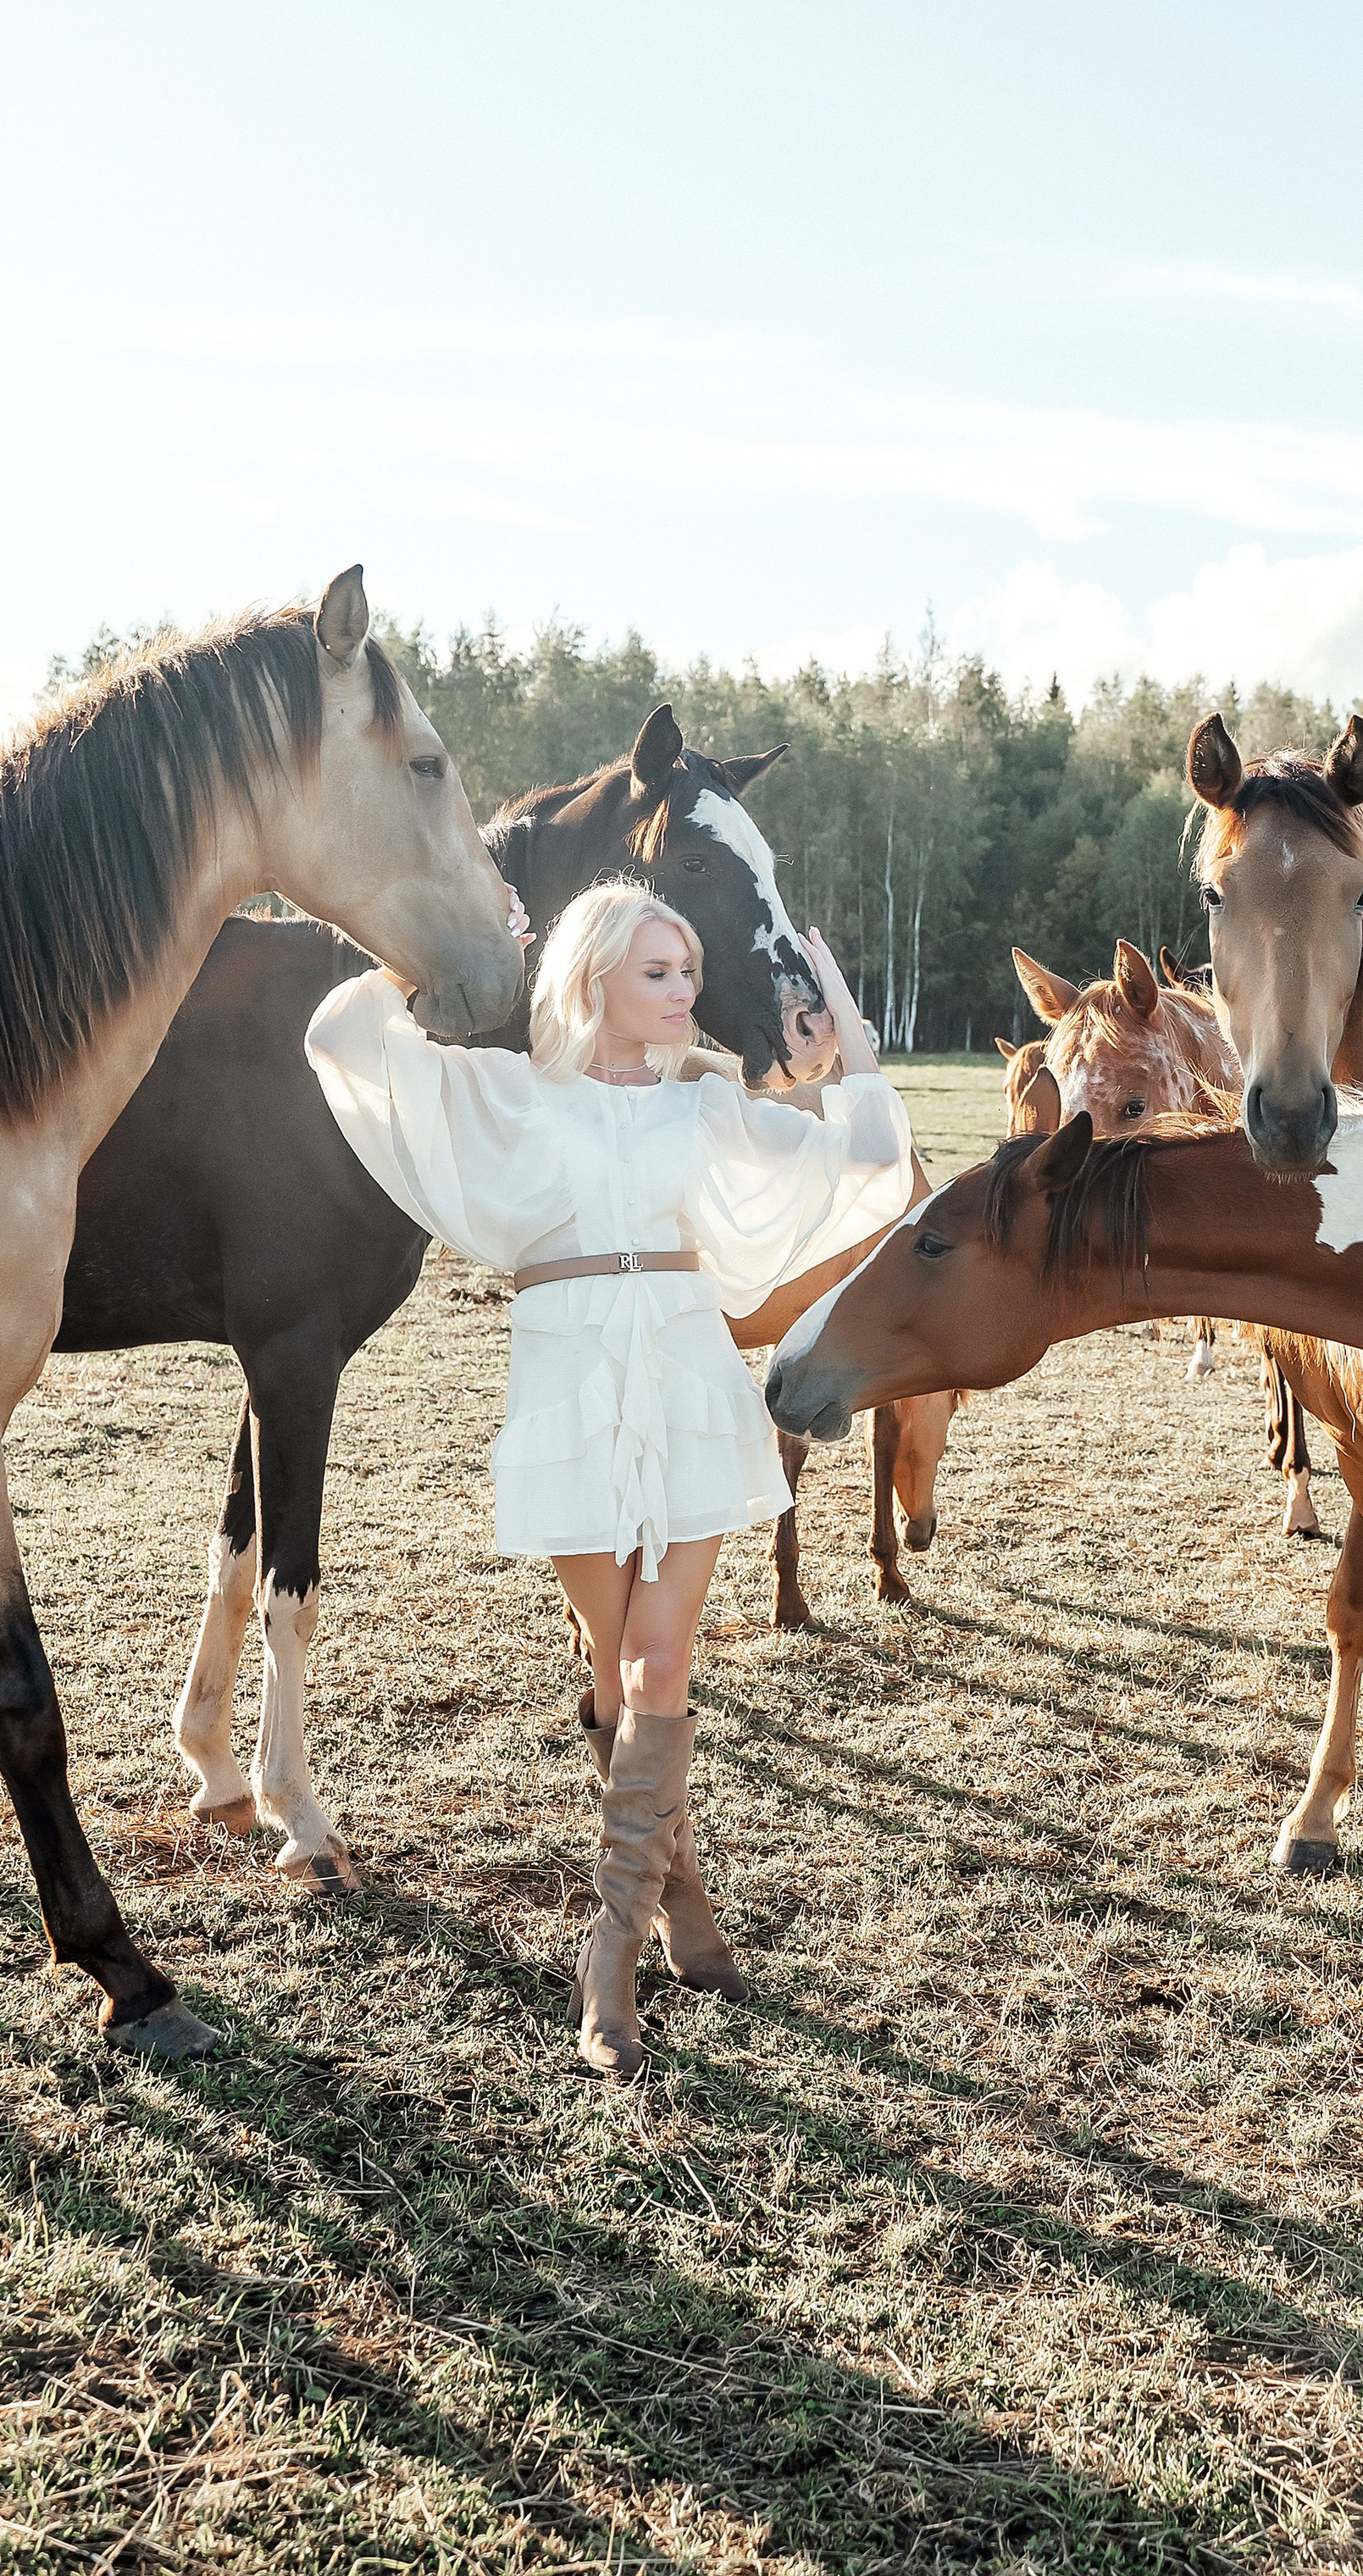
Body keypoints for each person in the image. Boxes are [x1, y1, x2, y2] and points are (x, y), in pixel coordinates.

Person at [305, 880, 913, 2079]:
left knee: (659, 1661)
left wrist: (841, 1026)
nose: (685, 992)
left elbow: (873, 1154)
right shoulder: (515, 1092)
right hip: (571, 1383)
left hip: (689, 1375)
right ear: (594, 982)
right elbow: (341, 1038)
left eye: (688, 971)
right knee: (612, 1660)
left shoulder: (707, 1104)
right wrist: (452, 949)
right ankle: (681, 1899)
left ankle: (609, 1965)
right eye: (659, 973)